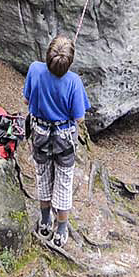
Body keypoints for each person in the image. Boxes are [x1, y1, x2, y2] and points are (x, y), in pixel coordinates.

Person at [23, 35, 90, 248]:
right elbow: (79, 117)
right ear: (69, 62)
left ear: (47, 55)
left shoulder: (35, 69)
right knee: (63, 182)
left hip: (40, 135)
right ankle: (61, 230)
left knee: (43, 177)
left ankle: (44, 221)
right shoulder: (74, 82)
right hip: (64, 141)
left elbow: (26, 99)